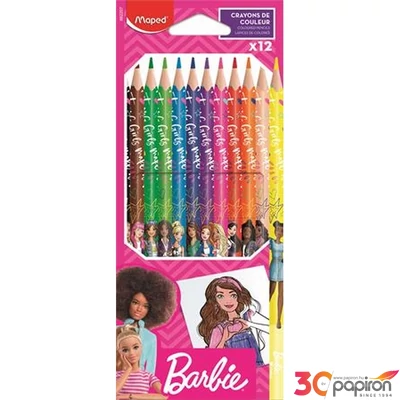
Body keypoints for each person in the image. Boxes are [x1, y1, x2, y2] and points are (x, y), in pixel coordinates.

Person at [197, 276, 269, 367]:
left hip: (259, 368)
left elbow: (276, 330)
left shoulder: (249, 315)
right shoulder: (219, 328)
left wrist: (250, 324)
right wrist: (224, 338)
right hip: (237, 372)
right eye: (220, 296)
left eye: (233, 295)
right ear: (215, 300)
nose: (228, 300)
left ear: (239, 297)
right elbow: (212, 360)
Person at [116, 267, 177, 373]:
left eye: (145, 306)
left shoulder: (150, 338)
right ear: (126, 301)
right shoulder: (115, 331)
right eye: (135, 302)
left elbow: (151, 368)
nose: (139, 309)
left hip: (138, 379)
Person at [116, 325, 167, 399]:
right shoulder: (117, 375)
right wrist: (128, 370)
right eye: (125, 350)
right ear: (120, 352)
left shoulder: (147, 376)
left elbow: (165, 396)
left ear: (141, 348)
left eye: (135, 347)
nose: (131, 353)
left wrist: (129, 396)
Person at [269, 221, 284, 329]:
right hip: (274, 267)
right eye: (277, 230)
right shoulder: (271, 242)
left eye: (281, 231)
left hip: (282, 268)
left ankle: (278, 319)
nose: (279, 232)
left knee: (281, 294)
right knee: (271, 291)